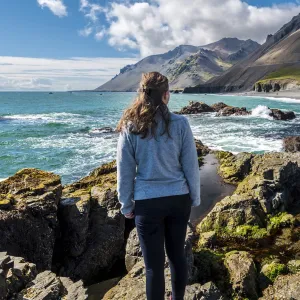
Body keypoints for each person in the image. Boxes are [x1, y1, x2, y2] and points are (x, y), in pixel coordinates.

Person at [116, 72, 201, 300]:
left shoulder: (131, 126)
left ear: (143, 94)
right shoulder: (181, 124)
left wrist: (126, 205)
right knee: (176, 257)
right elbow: (190, 165)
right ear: (166, 95)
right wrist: (195, 196)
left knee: (153, 266)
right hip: (178, 200)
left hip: (147, 203)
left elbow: (124, 171)